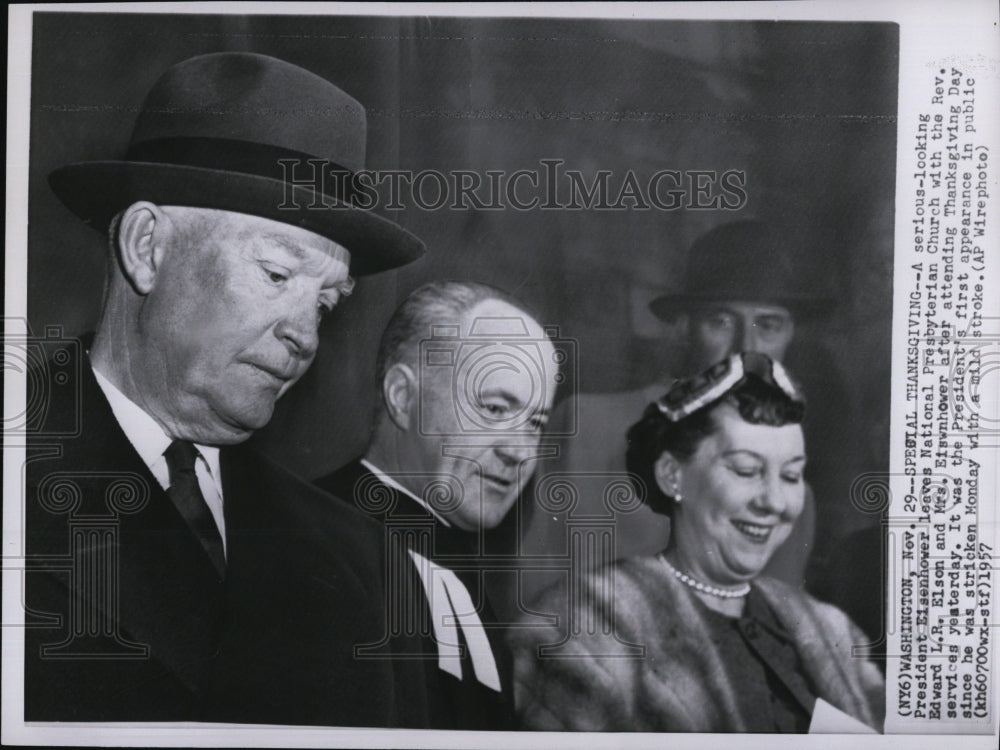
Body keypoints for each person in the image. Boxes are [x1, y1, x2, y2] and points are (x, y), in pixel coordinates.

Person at [24, 52, 425, 725]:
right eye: (275, 274)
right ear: (148, 246)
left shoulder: (353, 555)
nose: (305, 334)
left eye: (326, 303)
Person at [508, 352, 884, 732]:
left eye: (790, 476)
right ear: (673, 475)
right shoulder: (585, 631)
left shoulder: (831, 630)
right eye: (746, 470)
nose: (773, 501)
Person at [524, 219, 849, 596]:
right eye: (722, 321)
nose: (746, 348)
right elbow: (536, 595)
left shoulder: (791, 494)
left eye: (769, 325)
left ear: (790, 336)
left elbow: (776, 631)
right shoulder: (590, 426)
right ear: (684, 328)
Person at [315, 280, 560, 729]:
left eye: (535, 423)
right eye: (493, 408)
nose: (519, 451)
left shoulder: (456, 572)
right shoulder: (312, 541)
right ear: (403, 398)